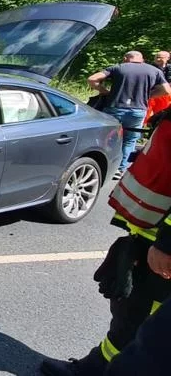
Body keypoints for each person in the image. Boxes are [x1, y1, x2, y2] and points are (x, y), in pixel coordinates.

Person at [39, 107, 171, 376]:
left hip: (159, 245)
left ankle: (94, 370)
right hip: (149, 234)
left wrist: (167, 243)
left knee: (138, 317)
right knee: (136, 314)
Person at [87, 51, 171, 179]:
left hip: (115, 108)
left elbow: (92, 79)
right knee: (130, 140)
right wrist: (149, 96)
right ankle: (121, 169)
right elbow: (166, 90)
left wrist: (105, 92)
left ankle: (104, 166)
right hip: (138, 111)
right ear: (142, 59)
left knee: (108, 138)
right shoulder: (154, 70)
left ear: (125, 58)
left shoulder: (118, 67)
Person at [144, 51, 171, 126]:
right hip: (152, 92)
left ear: (167, 58)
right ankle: (143, 126)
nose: (158, 59)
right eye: (156, 57)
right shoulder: (149, 68)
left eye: (160, 57)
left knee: (163, 111)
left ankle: (157, 125)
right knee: (147, 111)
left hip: (166, 94)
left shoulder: (170, 67)